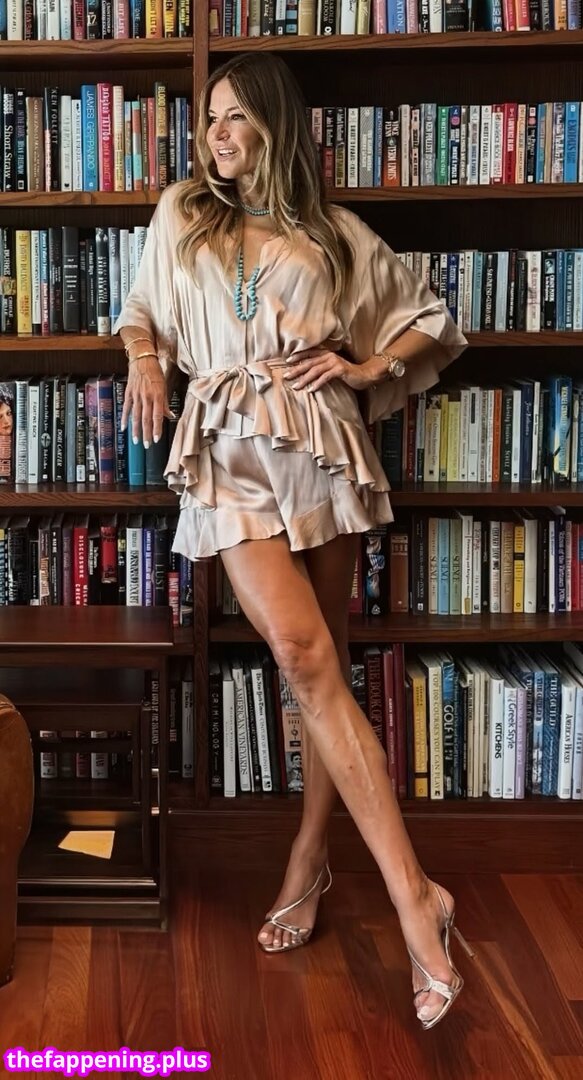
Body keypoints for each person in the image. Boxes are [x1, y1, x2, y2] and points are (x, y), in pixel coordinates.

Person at [114, 52, 473, 1031]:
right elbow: (142, 311)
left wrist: (363, 369)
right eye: (209, 118)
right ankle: (416, 899)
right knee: (303, 655)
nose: (216, 134)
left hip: (319, 445)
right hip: (225, 449)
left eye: (235, 116)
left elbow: (428, 320)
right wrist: (146, 361)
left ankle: (311, 859)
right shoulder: (184, 212)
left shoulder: (331, 233)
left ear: (274, 123)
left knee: (324, 669)